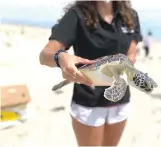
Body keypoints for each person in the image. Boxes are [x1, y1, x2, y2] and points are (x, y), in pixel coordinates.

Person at [39, 1, 142, 146]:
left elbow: (131, 55)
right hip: (88, 100)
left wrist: (123, 64)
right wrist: (60, 57)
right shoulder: (77, 15)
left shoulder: (130, 16)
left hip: (120, 99)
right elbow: (45, 55)